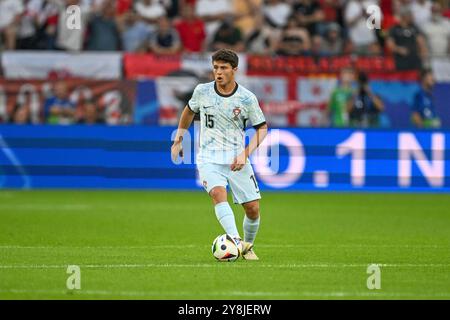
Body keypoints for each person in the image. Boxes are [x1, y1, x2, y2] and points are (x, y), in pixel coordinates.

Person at [171, 49, 268, 260]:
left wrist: (245, 153)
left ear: (234, 70)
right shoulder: (202, 91)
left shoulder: (246, 98)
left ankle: (248, 246)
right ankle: (235, 241)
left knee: (252, 208)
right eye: (215, 67)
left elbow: (262, 128)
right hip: (208, 157)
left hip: (236, 159)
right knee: (217, 193)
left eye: (223, 68)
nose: (218, 72)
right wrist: (178, 139)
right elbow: (189, 111)